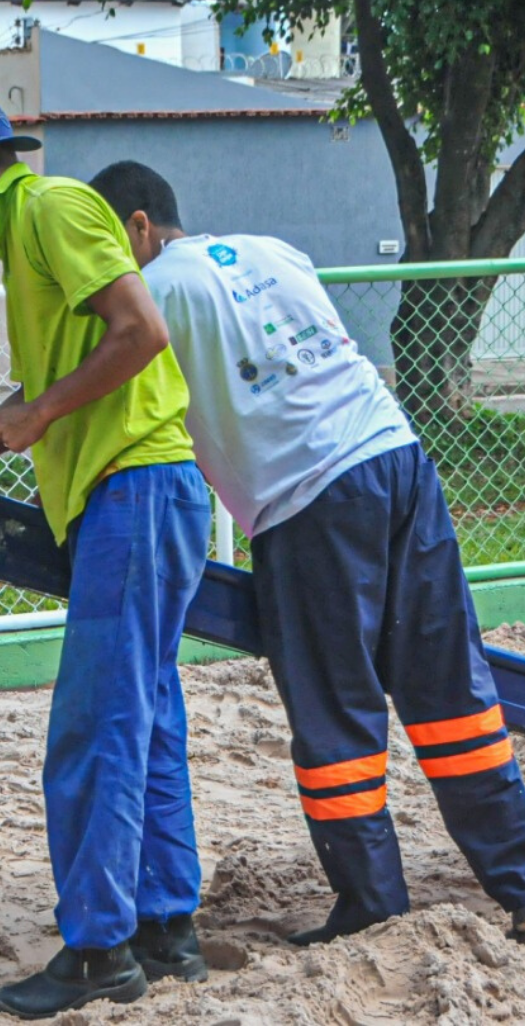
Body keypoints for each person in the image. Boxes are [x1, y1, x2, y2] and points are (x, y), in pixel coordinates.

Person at [89, 159, 525, 947]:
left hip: (306, 494)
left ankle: (372, 899)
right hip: (395, 454)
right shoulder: (272, 250)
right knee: (448, 680)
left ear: (138, 229)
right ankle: (520, 878)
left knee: (334, 705)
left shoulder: (154, 294)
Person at [0, 93, 212, 1019]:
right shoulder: (32, 236)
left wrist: (39, 415)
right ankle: (164, 926)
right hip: (142, 494)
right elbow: (29, 404)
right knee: (147, 716)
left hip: (135, 487)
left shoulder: (52, 208)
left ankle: (97, 949)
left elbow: (142, 332)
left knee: (95, 727)